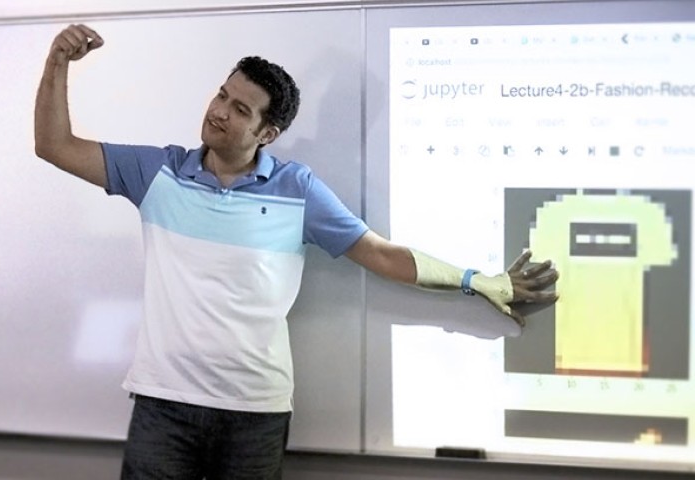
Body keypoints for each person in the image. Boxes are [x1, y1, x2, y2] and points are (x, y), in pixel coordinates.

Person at [34, 24, 558, 480]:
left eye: (240, 109)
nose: (219, 112)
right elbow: (54, 145)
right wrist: (58, 61)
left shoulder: (296, 189)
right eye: (222, 95)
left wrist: (476, 279)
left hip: (254, 412)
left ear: (268, 132)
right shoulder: (158, 172)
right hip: (163, 405)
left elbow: (380, 254)